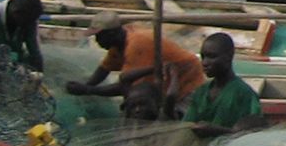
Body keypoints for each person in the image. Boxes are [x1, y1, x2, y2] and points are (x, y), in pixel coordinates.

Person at [64, 10, 206, 117]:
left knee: (172, 118)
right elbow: (104, 68)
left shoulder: (137, 45)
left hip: (186, 84)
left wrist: (88, 90)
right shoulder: (119, 43)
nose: (97, 42)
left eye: (99, 37)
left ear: (111, 34)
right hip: (166, 84)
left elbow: (129, 86)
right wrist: (87, 85)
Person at [181, 32, 264, 137]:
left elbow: (252, 133)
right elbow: (187, 125)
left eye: (212, 56)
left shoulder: (243, 93)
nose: (205, 62)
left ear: (228, 57)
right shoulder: (201, 92)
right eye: (203, 57)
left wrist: (217, 131)